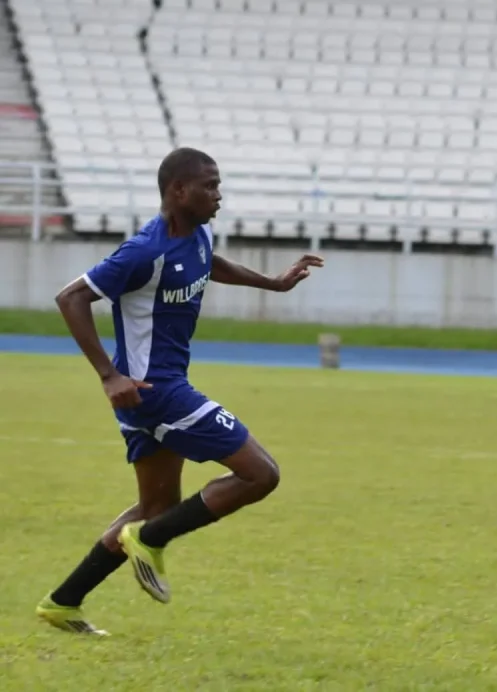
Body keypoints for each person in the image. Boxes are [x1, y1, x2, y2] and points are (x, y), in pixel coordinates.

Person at [35, 147, 324, 636]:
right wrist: (108, 374)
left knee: (157, 508)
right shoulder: (144, 250)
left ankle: (63, 602)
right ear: (179, 191)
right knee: (261, 474)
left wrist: (273, 285)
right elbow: (71, 298)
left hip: (148, 394)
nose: (218, 195)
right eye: (210, 185)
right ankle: (149, 540)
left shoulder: (197, 236)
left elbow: (209, 262)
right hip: (157, 392)